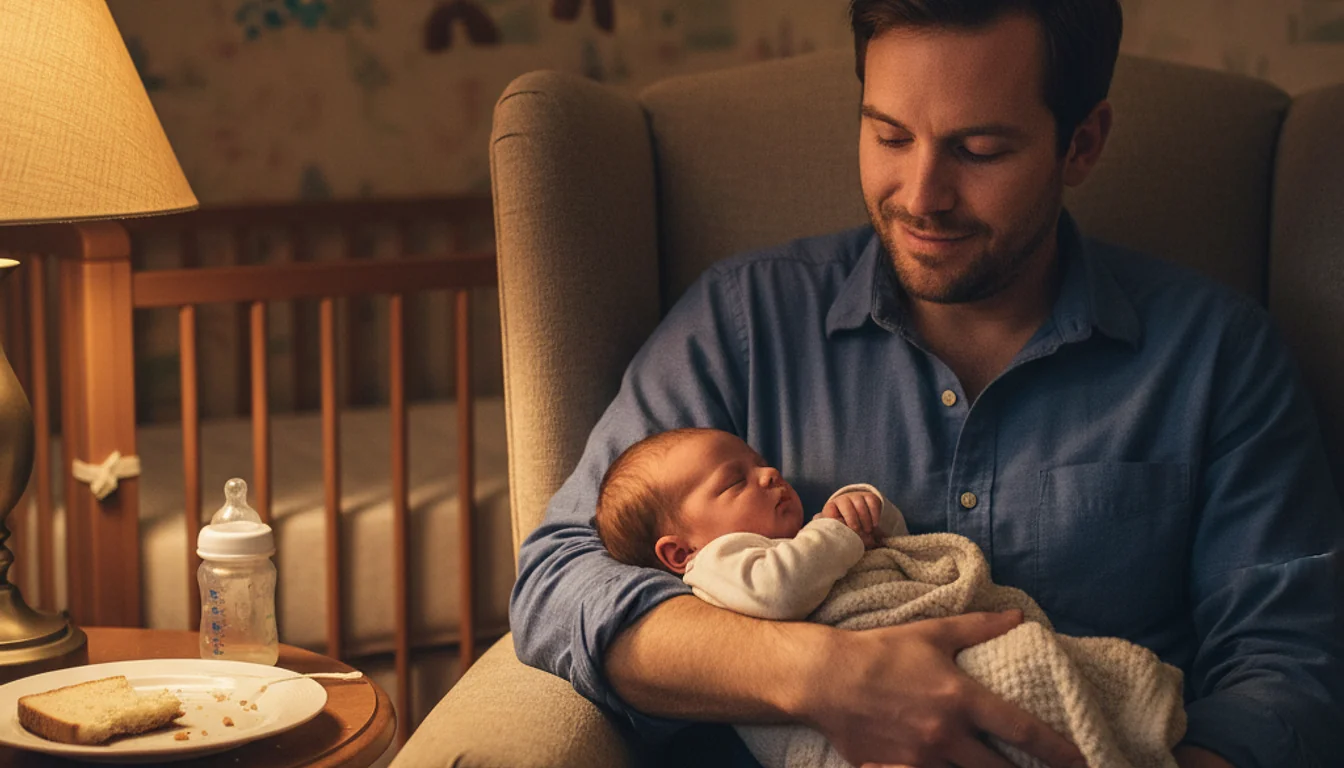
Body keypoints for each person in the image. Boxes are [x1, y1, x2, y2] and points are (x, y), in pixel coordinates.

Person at [508, 1, 1344, 766]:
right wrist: (817, 674)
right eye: (890, 135)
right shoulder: (743, 323)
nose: (921, 197)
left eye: (980, 150)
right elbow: (557, 578)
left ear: (1081, 144)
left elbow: (1290, 663)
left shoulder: (1216, 355)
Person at [594, 426, 1188, 768]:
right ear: (677, 552)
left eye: (759, 463)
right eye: (735, 481)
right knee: (1019, 680)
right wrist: (835, 531)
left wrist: (865, 516)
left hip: (910, 659)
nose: (769, 475)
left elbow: (896, 558)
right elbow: (781, 591)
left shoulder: (798, 540)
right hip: (839, 722)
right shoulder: (717, 567)